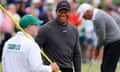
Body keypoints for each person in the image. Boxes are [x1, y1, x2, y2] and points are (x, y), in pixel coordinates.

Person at [35, 1, 81, 72]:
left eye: (65, 12)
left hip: (68, 69)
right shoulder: (45, 29)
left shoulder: (74, 30)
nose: (63, 14)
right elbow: (35, 49)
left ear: (70, 13)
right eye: (61, 12)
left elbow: (77, 53)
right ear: (56, 12)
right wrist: (42, 67)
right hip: (52, 69)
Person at [77, 3, 120, 72]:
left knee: (107, 68)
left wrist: (97, 48)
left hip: (114, 42)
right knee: (106, 67)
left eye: (84, 15)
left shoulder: (97, 17)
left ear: (88, 11)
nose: (84, 18)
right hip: (113, 42)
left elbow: (102, 37)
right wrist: (98, 48)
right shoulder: (97, 14)